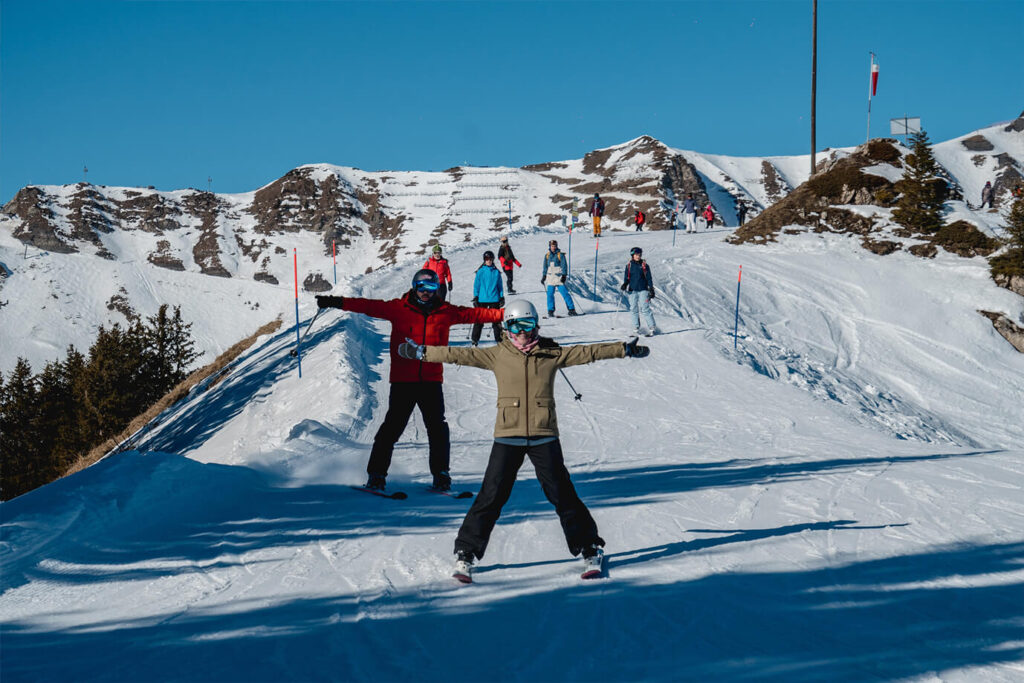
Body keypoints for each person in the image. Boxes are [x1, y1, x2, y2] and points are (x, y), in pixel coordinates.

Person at [396, 300, 651, 582]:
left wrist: (623, 349)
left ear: (536, 326)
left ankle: (590, 547)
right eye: (515, 326)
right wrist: (421, 352)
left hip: (544, 435)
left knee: (562, 494)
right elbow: (458, 355)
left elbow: (586, 352)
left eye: (527, 325)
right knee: (491, 496)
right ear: (506, 328)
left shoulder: (550, 354)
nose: (522, 333)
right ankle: (466, 553)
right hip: (508, 435)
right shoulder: (497, 355)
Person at [315, 269, 503, 492]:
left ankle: (441, 475)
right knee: (391, 429)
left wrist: (508, 315)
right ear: (414, 287)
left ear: (437, 289)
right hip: (403, 381)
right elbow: (367, 306)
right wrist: (336, 301)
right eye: (422, 288)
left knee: (437, 430)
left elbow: (476, 315)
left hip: (431, 381)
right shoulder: (398, 308)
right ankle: (376, 475)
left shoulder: (446, 312)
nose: (426, 292)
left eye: (431, 288)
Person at [620, 247, 658, 336]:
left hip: (643, 290)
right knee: (633, 308)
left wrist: (651, 289)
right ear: (632, 255)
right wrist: (625, 284)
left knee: (645, 308)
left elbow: (649, 278)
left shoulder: (644, 265)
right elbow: (627, 278)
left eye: (639, 254)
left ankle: (652, 328)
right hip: (632, 290)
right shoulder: (629, 266)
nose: (638, 256)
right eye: (636, 254)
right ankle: (636, 328)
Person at [471, 251, 505, 346]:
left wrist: (501, 297)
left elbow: (500, 286)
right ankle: (475, 340)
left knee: (496, 321)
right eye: (486, 259)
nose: (488, 261)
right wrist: (476, 297)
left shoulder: (496, 272)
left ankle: (499, 340)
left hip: (494, 298)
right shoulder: (481, 271)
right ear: (484, 260)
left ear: (493, 260)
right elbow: (476, 285)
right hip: (482, 299)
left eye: (490, 259)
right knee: (479, 321)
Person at [541, 239, 578, 317]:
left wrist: (564, 275)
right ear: (549, 246)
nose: (553, 247)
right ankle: (550, 311)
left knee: (565, 294)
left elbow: (564, 265)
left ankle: (571, 309)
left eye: (554, 246)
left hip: (559, 278)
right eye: (552, 246)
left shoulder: (560, 255)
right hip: (551, 278)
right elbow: (545, 267)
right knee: (549, 295)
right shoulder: (547, 255)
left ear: (556, 246)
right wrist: (544, 276)